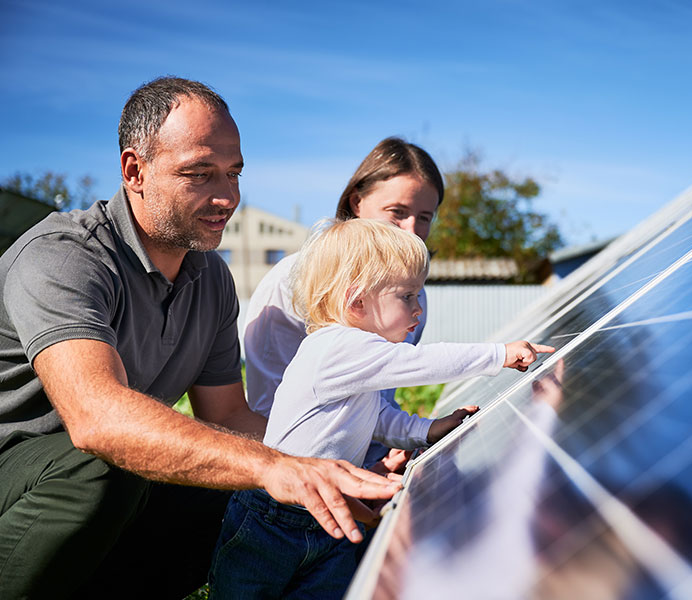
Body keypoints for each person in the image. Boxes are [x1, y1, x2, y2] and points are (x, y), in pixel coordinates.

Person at [0, 77, 399, 600]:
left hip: (95, 496)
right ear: (134, 171)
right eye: (198, 174)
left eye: (234, 174)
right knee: (102, 469)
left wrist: (336, 464)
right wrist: (274, 467)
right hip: (20, 475)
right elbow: (99, 421)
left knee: (233, 493)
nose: (226, 197)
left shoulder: (209, 277)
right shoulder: (63, 257)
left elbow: (229, 417)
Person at [209, 218, 554, 599]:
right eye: (407, 296)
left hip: (331, 508)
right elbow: (421, 362)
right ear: (356, 301)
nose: (418, 308)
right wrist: (498, 354)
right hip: (274, 516)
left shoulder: (357, 356)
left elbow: (376, 417)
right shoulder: (335, 347)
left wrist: (426, 430)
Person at [243, 137, 442, 434]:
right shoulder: (294, 282)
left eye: (424, 217)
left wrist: (395, 446)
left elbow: (378, 398)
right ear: (356, 203)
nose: (412, 230)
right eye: (397, 212)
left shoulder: (414, 297)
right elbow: (270, 408)